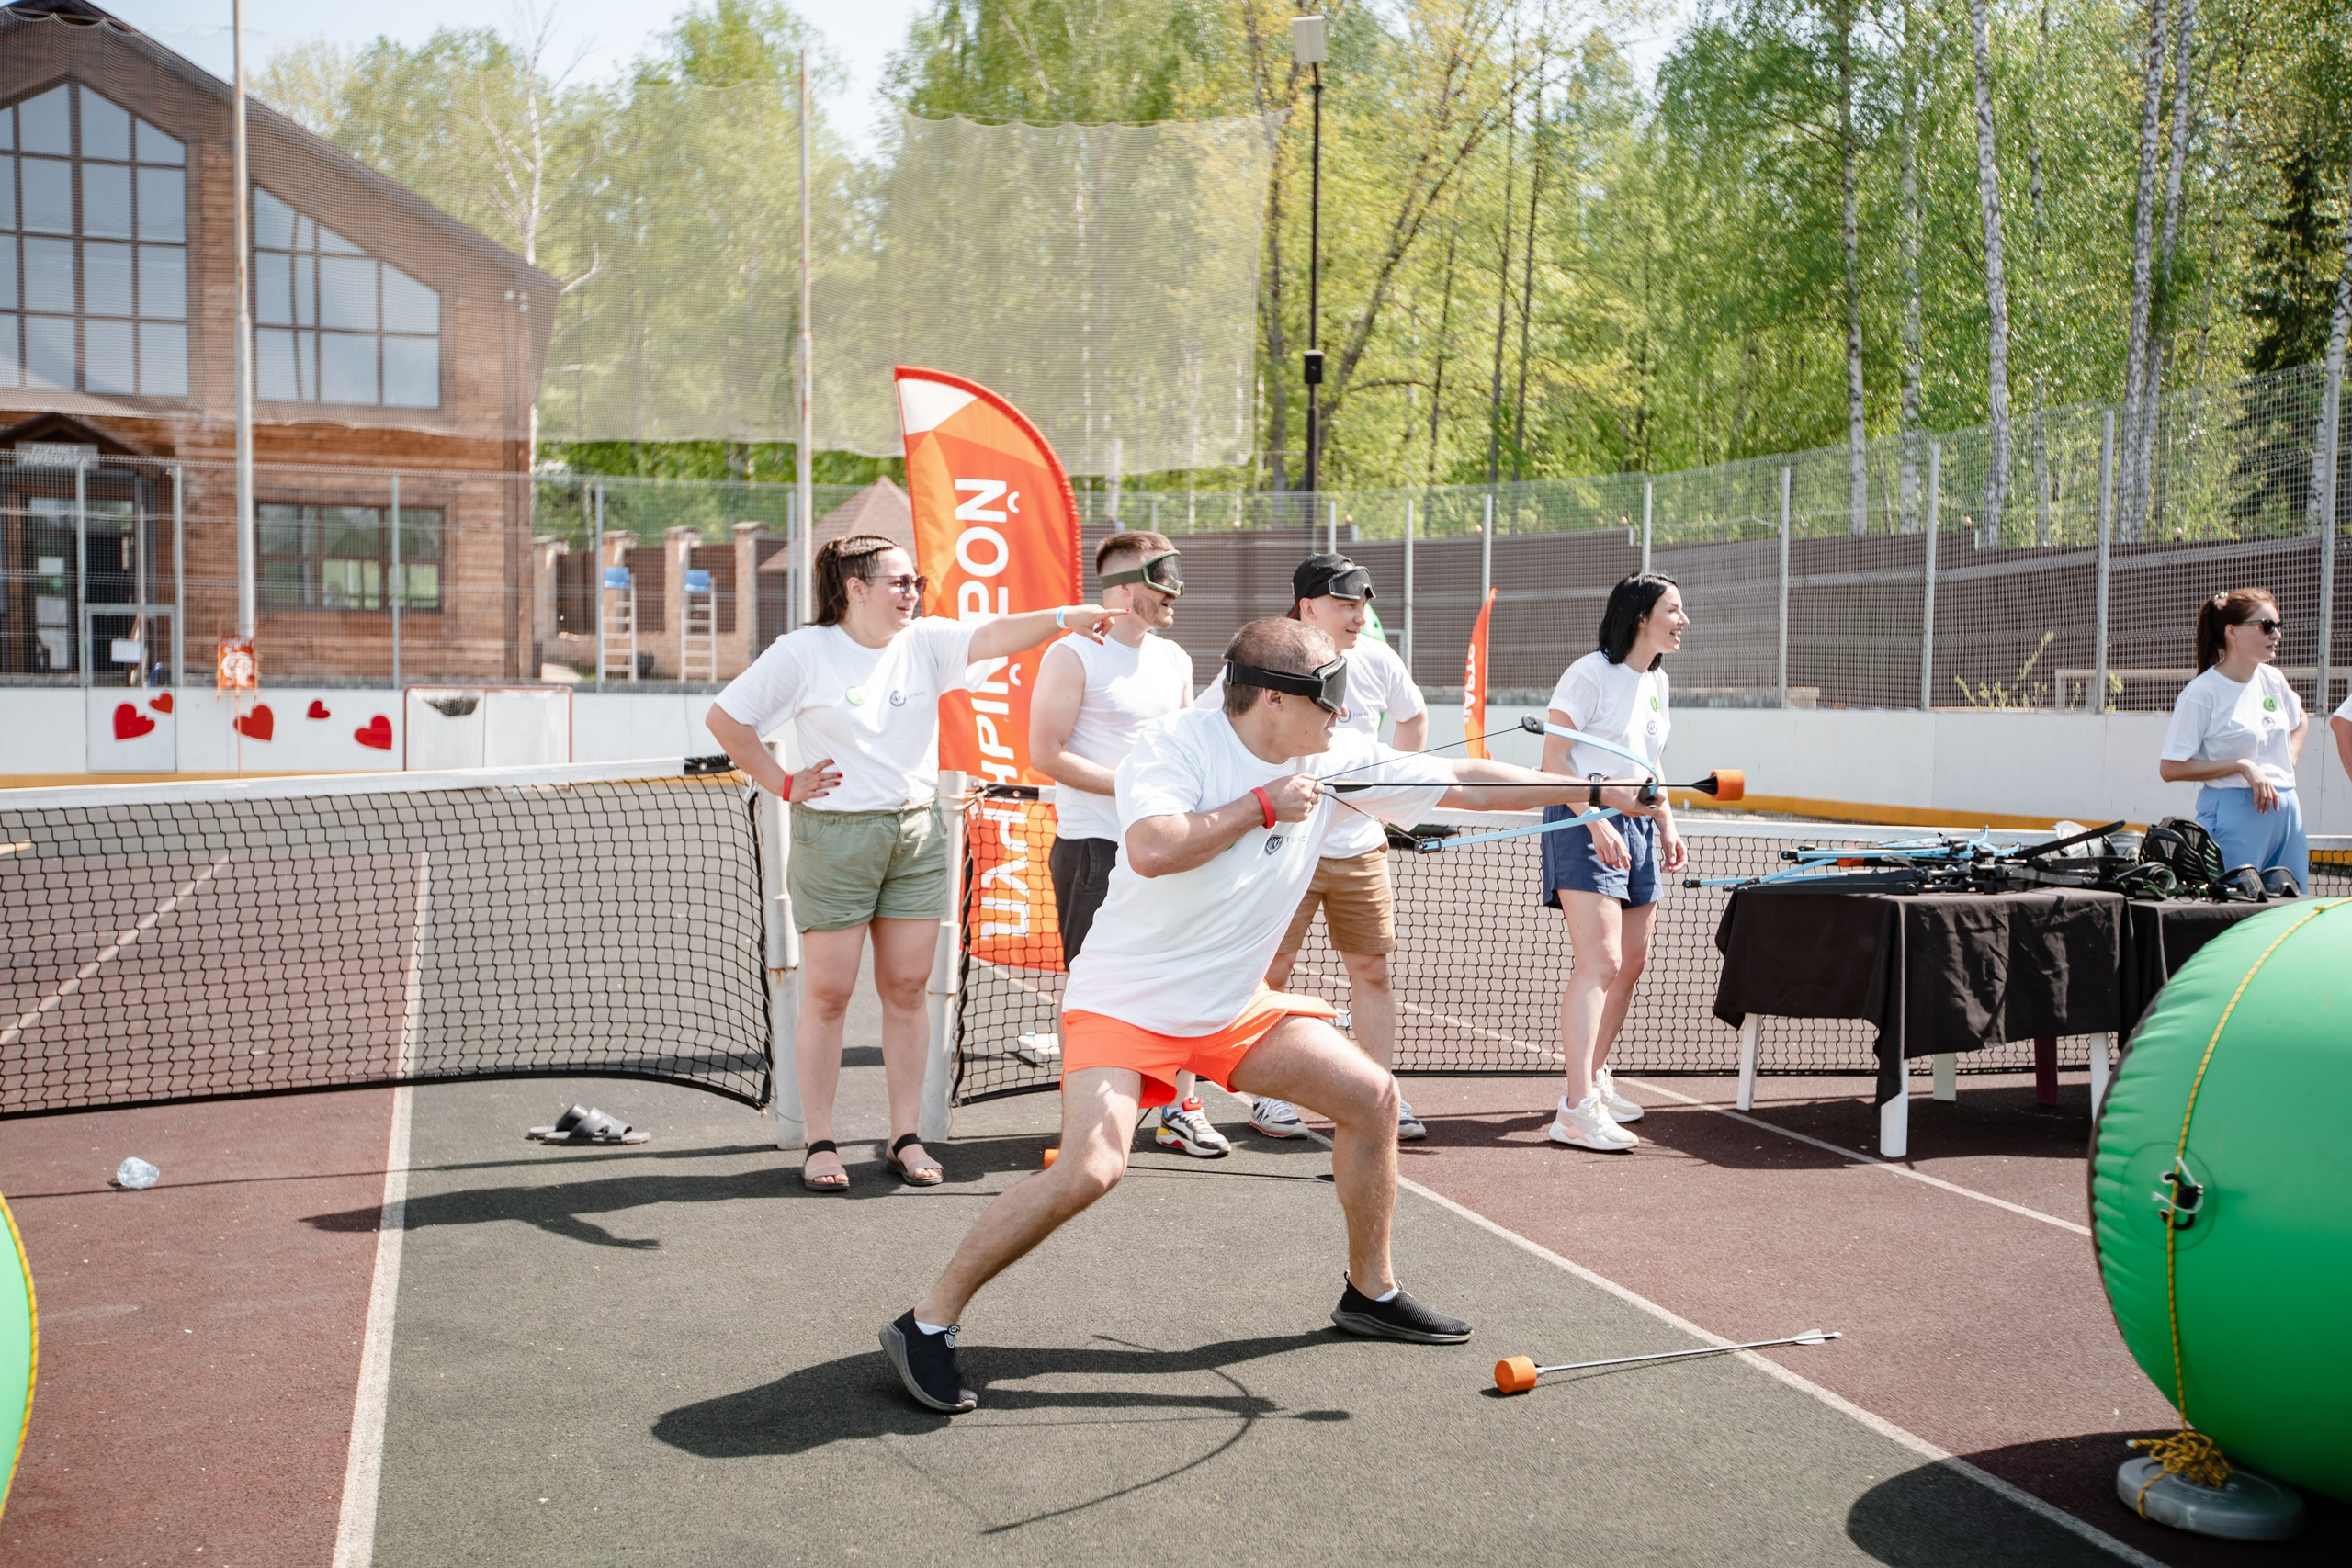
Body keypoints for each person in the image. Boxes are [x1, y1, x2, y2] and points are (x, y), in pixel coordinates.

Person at [880, 617, 1612, 1414]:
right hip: (1126, 1000)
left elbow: (1465, 777)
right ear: (1271, 697)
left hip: (1232, 1005)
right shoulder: (1175, 747)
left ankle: (1370, 1293)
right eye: (1330, 698)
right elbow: (1156, 845)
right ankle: (926, 1322)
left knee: (1372, 1098)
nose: (1342, 713)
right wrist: (1262, 805)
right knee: (1091, 1170)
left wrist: (1596, 790)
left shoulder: (1330, 751)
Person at [706, 535, 1114, 1192]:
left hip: (918, 836)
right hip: (834, 840)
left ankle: (904, 1136)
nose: (913, 593)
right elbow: (727, 720)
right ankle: (820, 1141)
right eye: (898, 582)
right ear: (855, 588)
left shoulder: (926, 641)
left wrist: (1066, 617)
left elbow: (997, 635)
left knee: (906, 989)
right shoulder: (804, 652)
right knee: (829, 994)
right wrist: (784, 784)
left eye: (915, 581)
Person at [1198, 554, 1430, 1142]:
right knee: (1267, 971)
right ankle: (1268, 1097)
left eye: (1363, 605)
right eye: (1346, 604)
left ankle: (1381, 1093)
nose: (1359, 615)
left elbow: (1415, 716)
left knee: (1372, 972)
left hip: (1359, 849)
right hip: (1279, 843)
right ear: (1308, 607)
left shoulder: (1378, 659)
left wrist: (1392, 793)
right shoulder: (1263, 660)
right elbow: (1208, 727)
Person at [1029, 530, 1230, 1158]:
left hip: (1165, 848)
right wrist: (1135, 789)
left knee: (1181, 978)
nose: (1174, 592)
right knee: (1097, 995)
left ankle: (1180, 1109)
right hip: (1094, 848)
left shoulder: (1172, 659)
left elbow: (1183, 746)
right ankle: (1086, 1127)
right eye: (1160, 577)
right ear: (1123, 588)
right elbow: (1046, 753)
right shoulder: (1071, 655)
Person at [1541, 573, 1690, 1153]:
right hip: (1583, 819)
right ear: (1640, 617)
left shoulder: (1658, 682)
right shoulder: (1586, 675)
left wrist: (1667, 823)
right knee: (1600, 960)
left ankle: (1595, 1080)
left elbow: (1651, 766)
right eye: (1673, 610)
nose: (1682, 621)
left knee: (1631, 960)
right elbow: (1554, 762)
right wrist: (1596, 820)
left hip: (1639, 821)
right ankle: (1576, 1109)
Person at [2159, 587, 2310, 887]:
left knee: (2292, 910)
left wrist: (2289, 759)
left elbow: (2301, 720)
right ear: (2232, 631)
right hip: (2234, 812)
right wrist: (2242, 766)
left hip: (2287, 812)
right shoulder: (2202, 693)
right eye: (2266, 626)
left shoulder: (2274, 679)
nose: (2276, 634)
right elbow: (2170, 768)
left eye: (2278, 626)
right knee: (2235, 912)